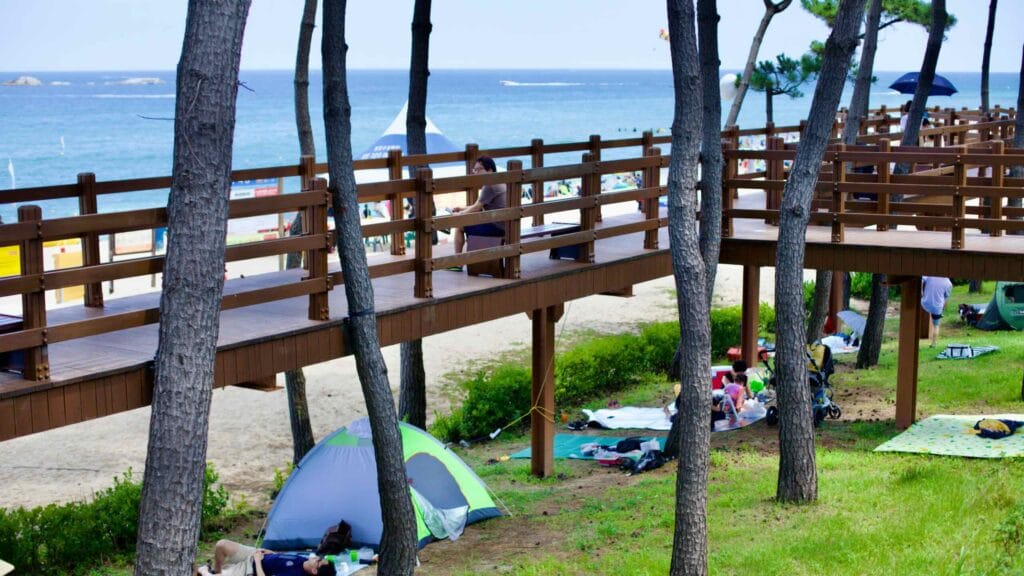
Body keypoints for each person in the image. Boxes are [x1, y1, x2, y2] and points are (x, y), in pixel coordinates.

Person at [451, 155, 506, 257]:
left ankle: (456, 262)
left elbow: (477, 208)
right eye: (474, 170)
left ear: (489, 170)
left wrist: (460, 215)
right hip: (506, 226)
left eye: (478, 170)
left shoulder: (489, 184)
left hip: (497, 228)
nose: (475, 173)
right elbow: (478, 205)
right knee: (468, 222)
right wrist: (462, 209)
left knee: (459, 226)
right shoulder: (499, 180)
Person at [197, 539, 336, 576]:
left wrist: (257, 561)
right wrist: (269, 552)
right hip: (256, 554)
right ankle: (216, 569)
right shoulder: (304, 560)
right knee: (221, 545)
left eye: (318, 561)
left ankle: (205, 571)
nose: (316, 557)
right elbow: (282, 558)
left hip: (251, 569)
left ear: (315, 571)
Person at [921, 276, 953, 348]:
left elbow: (921, 279)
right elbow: (946, 298)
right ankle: (934, 344)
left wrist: (921, 292)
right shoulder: (948, 283)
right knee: (936, 326)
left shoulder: (930, 275)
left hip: (925, 303)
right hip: (937, 307)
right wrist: (943, 308)